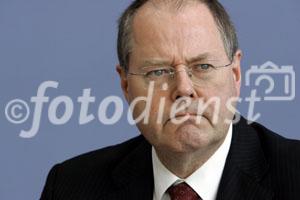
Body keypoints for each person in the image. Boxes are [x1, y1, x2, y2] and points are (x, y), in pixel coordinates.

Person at [41, 0, 300, 199]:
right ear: (125, 85)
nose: (184, 89)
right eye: (158, 71)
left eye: (203, 67)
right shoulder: (70, 187)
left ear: (235, 74)